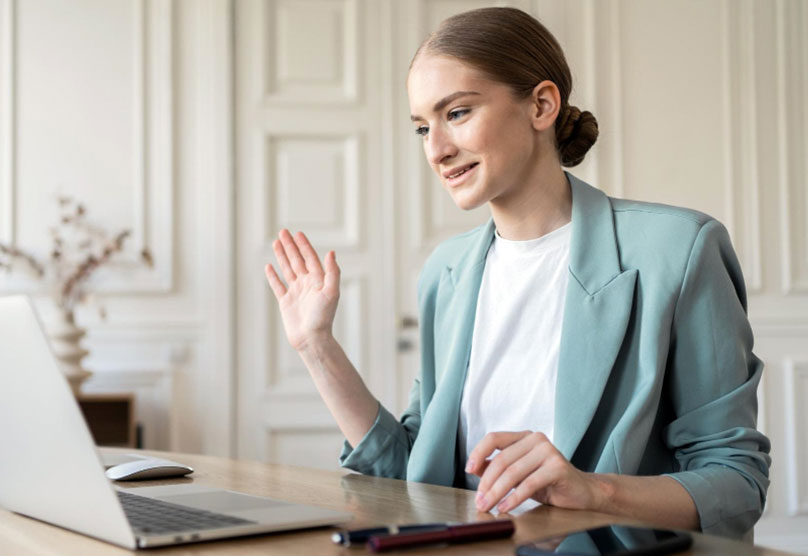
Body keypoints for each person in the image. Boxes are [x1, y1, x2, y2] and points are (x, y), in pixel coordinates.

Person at [263, 7, 769, 540]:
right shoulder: (448, 271)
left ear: (542, 105)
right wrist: (316, 347)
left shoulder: (679, 249)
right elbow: (414, 475)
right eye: (421, 128)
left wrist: (595, 492)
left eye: (456, 113)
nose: (435, 150)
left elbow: (736, 483)